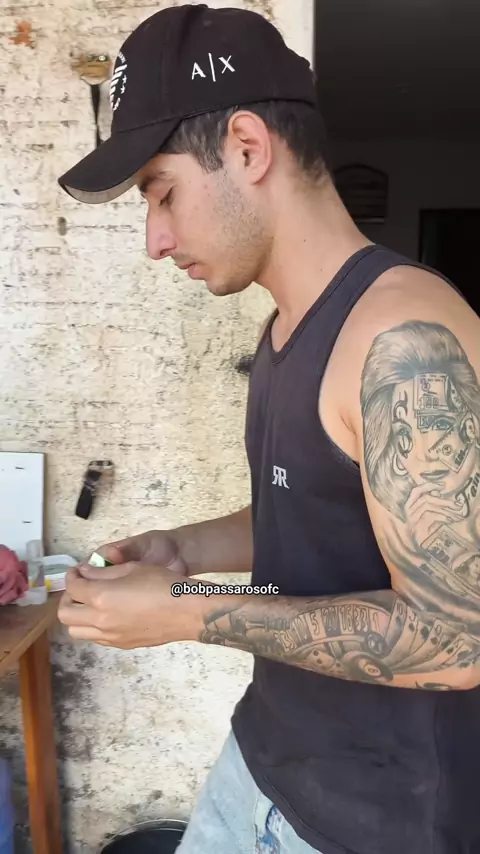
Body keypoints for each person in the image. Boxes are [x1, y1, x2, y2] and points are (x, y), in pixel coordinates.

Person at [56, 5, 480, 854]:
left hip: (366, 822)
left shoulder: (405, 340)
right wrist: (184, 553)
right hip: (264, 762)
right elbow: (318, 515)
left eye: (162, 192)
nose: (155, 240)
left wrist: (186, 613)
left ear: (248, 148)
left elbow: (458, 638)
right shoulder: (285, 327)